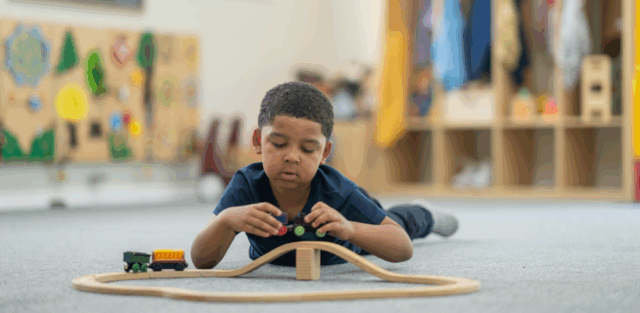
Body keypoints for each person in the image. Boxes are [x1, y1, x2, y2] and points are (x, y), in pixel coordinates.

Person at [191, 82, 458, 269]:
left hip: (353, 235)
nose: (292, 157)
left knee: (399, 220)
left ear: (324, 152)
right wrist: (226, 220)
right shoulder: (246, 184)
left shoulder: (337, 191)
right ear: (259, 141)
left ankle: (427, 214)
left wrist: (350, 229)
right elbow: (202, 260)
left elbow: (401, 247)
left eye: (308, 149)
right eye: (279, 144)